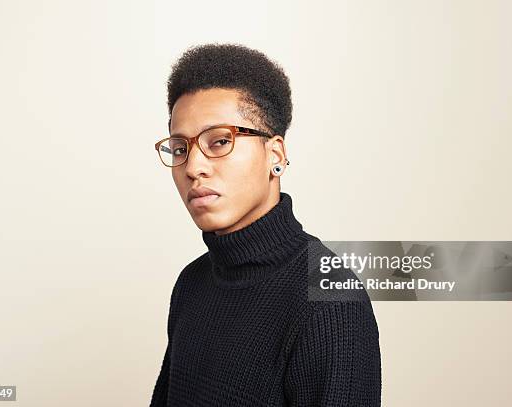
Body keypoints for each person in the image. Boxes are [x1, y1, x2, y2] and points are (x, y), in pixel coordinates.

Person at [150, 43, 381, 406]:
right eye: (180, 148)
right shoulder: (192, 283)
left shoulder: (329, 296)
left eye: (220, 141)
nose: (193, 167)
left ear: (274, 155)